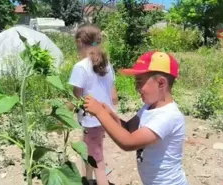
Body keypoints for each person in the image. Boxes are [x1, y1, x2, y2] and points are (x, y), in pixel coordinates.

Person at [84, 51, 189, 185]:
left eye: (140, 82)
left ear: (161, 84)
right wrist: (109, 114)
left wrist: (100, 113)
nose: (136, 88)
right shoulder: (149, 107)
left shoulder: (168, 116)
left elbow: (128, 142)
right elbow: (128, 129)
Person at [68, 24, 118, 185]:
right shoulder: (107, 64)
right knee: (89, 150)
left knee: (98, 160)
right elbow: (114, 97)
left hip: (90, 119)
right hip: (105, 118)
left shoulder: (81, 67)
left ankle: (97, 181)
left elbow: (76, 97)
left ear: (79, 42)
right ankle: (88, 180)